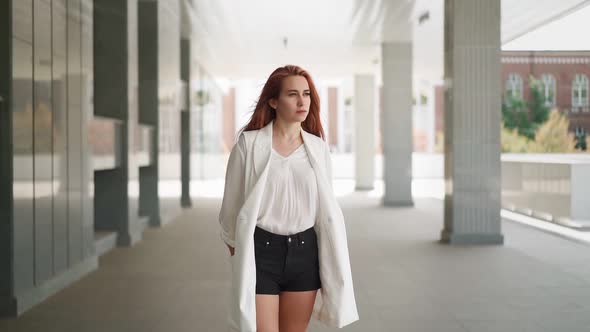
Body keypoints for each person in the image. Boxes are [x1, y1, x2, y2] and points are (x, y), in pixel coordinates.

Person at [219, 65, 358, 332]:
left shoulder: (317, 148)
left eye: (306, 94)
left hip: (305, 253)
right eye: (292, 94)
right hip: (261, 253)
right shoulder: (248, 145)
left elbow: (324, 209)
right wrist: (238, 252)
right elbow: (230, 209)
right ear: (273, 101)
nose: (301, 101)